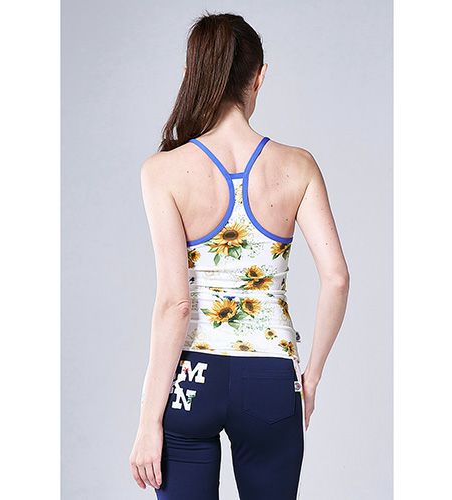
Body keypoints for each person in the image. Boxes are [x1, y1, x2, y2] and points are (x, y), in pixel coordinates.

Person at [129, 12, 349, 500]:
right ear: (259, 76)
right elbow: (336, 278)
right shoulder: (299, 166)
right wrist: (311, 377)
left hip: (192, 378)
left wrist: (148, 421)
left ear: (191, 74)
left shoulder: (162, 171)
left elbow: (175, 304)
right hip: (270, 378)